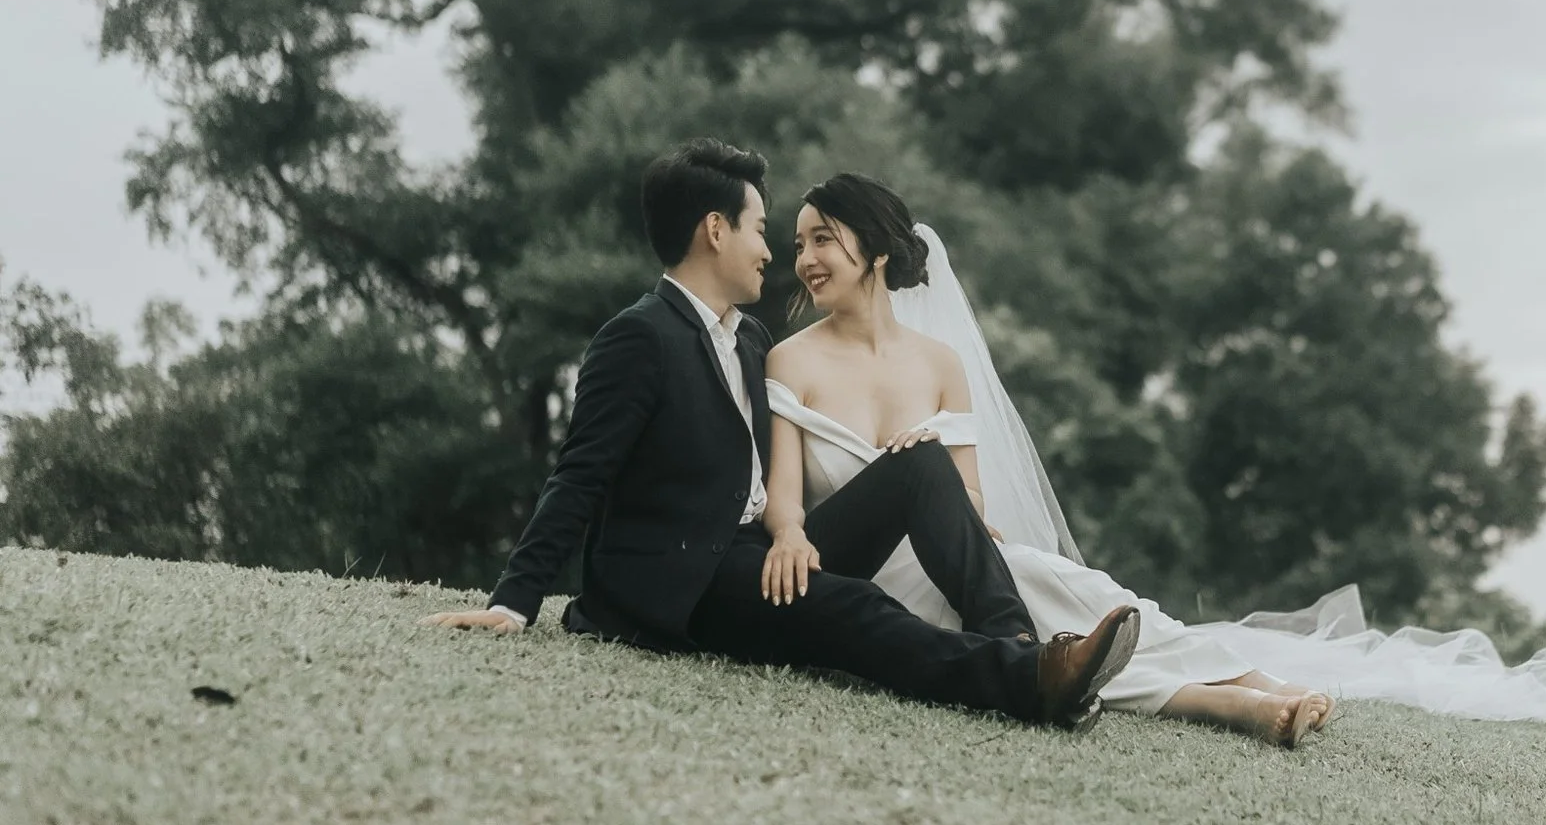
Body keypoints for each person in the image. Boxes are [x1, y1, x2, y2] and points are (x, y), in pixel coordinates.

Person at [759, 174, 1546, 745]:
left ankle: (1247, 682)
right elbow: (789, 503)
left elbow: (970, 506)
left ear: (872, 246)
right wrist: (791, 534)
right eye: (798, 244)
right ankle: (1233, 706)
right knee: (1044, 607)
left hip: (957, 558)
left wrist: (949, 502)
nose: (804, 259)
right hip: (866, 581)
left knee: (1077, 589)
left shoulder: (938, 362)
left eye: (821, 238)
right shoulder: (790, 361)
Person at [422, 139, 1140, 732]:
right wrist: (512, 601)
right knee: (854, 609)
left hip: (765, 552)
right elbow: (577, 474)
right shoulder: (636, 338)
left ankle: (1015, 639)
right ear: (714, 230)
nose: (772, 253)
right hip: (692, 579)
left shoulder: (753, 339)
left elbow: (777, 476)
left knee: (921, 463)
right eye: (760, 229)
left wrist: (792, 531)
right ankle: (1031, 682)